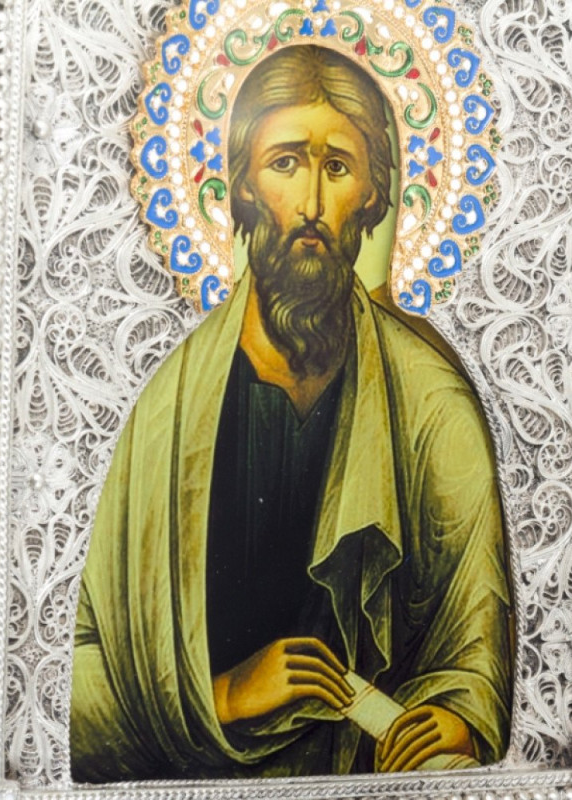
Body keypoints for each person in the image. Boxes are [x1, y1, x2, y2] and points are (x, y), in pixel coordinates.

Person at [70, 43, 512, 782]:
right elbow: (71, 669)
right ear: (241, 186)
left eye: (336, 166)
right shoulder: (161, 409)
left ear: (373, 194)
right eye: (284, 163)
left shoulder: (430, 401)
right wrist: (222, 695)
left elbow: (474, 642)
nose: (310, 205)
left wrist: (455, 717)